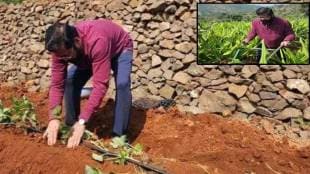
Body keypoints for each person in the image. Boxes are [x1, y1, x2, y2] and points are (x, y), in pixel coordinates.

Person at [43, 19, 133, 148]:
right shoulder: (59, 49)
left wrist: (83, 120)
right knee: (70, 80)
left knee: (122, 84)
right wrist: (54, 117)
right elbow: (57, 84)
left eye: (66, 55)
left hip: (119, 49)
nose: (63, 59)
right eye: (60, 57)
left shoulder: (97, 41)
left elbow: (100, 85)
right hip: (90, 55)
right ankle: (71, 125)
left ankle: (119, 135)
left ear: (77, 41)